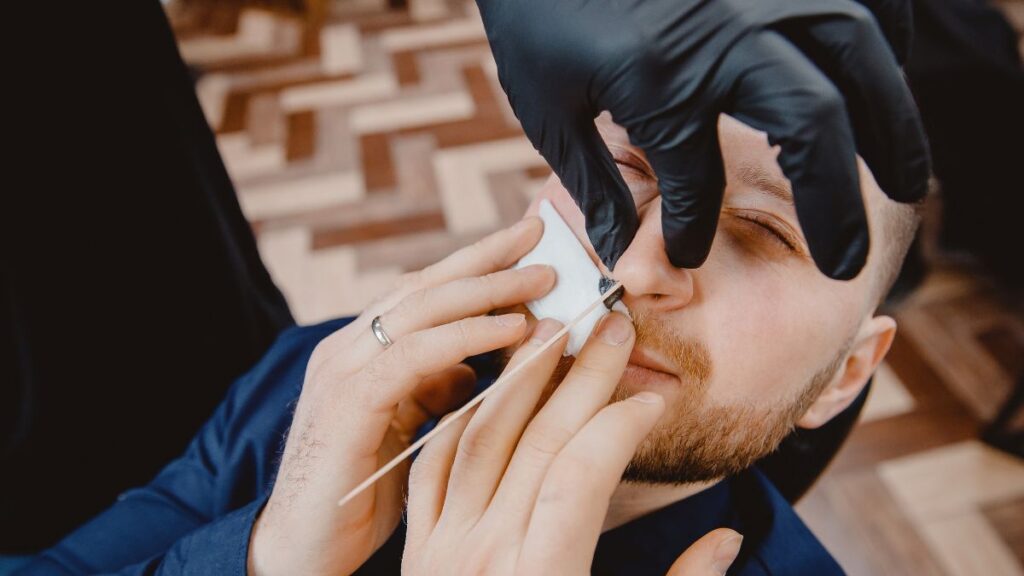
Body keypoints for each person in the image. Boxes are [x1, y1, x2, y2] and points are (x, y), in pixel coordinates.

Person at [18, 111, 920, 575]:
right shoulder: (331, 388)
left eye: (767, 230)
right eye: (629, 168)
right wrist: (261, 557)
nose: (643, 263)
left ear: (847, 373)